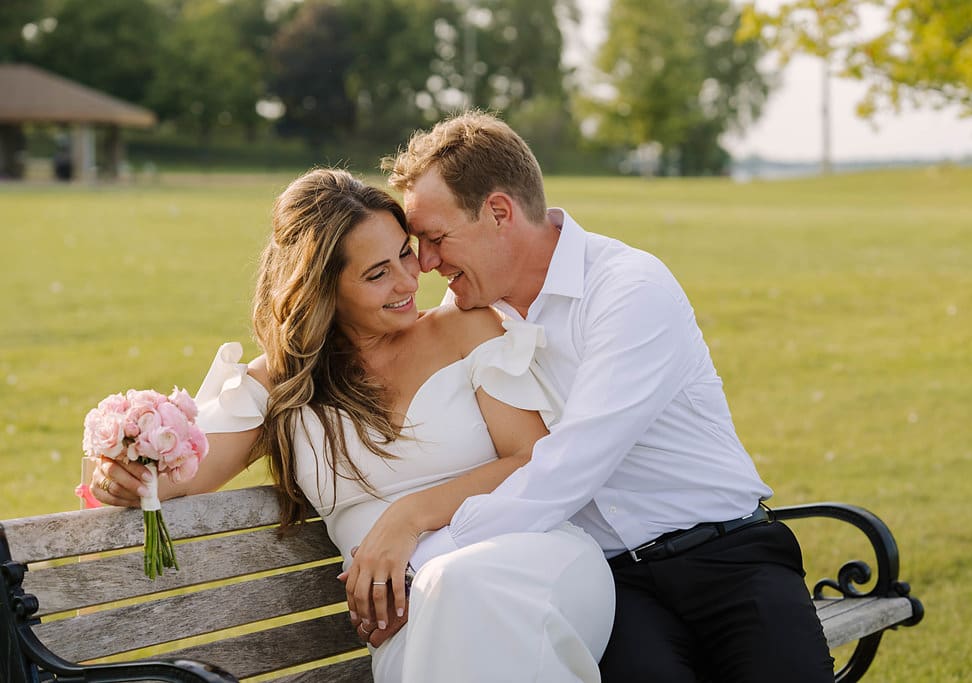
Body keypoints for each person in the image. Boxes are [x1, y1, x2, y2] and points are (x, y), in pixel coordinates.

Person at [343, 111, 835, 682]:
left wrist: (415, 551)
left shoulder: (629, 289)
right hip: (614, 586)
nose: (424, 263)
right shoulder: (471, 316)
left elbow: (570, 467)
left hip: (728, 558)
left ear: (499, 212)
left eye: (435, 238)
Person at [87, 168, 614, 682]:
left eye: (404, 253)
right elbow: (183, 473)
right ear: (323, 289)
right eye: (377, 273)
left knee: (458, 586)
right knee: (451, 602)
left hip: (534, 568)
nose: (409, 280)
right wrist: (126, 468)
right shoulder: (280, 385)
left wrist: (406, 520)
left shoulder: (466, 331)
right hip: (412, 621)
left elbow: (530, 459)